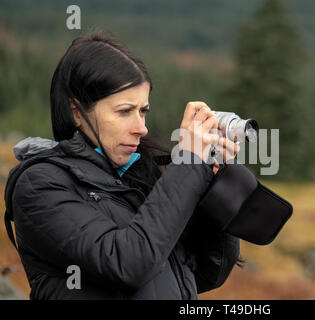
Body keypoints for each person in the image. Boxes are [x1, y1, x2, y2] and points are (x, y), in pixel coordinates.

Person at [4, 30, 242, 300]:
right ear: (75, 111)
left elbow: (208, 271)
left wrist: (216, 190)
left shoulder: (138, 177)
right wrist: (188, 163)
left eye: (143, 111)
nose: (141, 128)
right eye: (124, 111)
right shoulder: (40, 185)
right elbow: (127, 264)